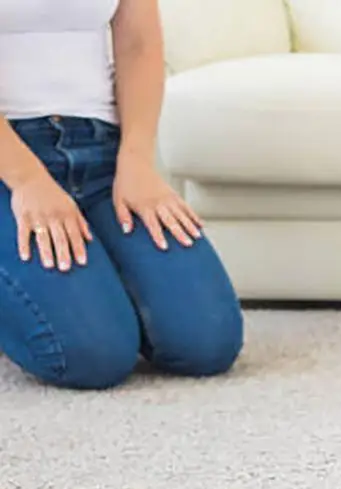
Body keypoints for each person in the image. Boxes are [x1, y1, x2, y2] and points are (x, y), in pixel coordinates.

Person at [0, 0, 243, 389]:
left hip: (101, 149)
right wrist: (28, 180)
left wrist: (136, 161)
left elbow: (139, 43)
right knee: (91, 356)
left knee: (207, 341)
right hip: (8, 163)